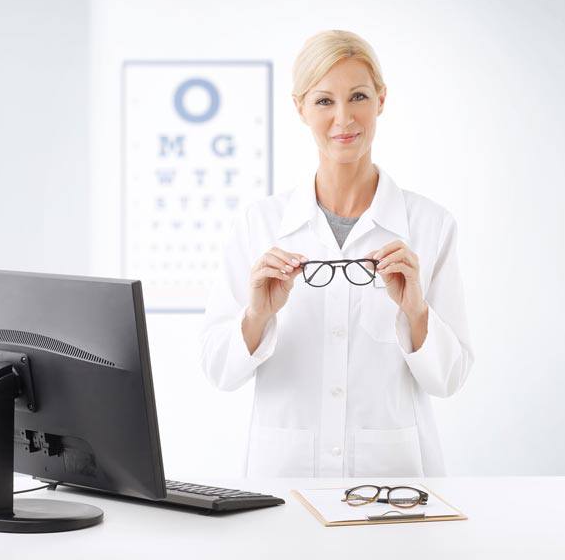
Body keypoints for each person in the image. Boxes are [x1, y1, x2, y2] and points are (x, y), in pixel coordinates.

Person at [199, 30, 474, 478]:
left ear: (381, 100)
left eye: (359, 96)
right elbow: (219, 370)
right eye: (324, 101)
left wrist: (416, 311)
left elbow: (449, 378)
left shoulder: (431, 226)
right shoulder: (259, 225)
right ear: (300, 108)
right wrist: (256, 316)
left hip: (390, 478)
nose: (344, 118)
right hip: (284, 474)